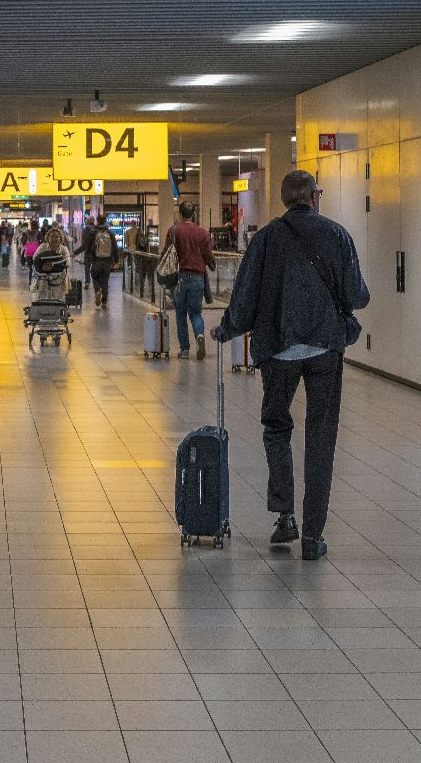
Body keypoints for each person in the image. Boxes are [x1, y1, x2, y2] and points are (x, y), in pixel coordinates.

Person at [212, 170, 369, 560]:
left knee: (277, 427)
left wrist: (227, 329)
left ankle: (285, 516)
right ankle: (314, 536)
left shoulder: (265, 238)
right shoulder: (337, 235)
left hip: (278, 349)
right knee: (321, 436)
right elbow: (357, 294)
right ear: (313, 197)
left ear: (284, 200)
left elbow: (245, 295)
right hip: (324, 349)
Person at [161, 201, 215, 360]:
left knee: (180, 314)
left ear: (179, 213)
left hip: (179, 278)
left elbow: (166, 253)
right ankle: (199, 335)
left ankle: (184, 350)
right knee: (196, 313)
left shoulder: (173, 231)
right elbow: (208, 256)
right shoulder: (203, 233)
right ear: (193, 214)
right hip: (198, 278)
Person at [81, 215, 119, 309]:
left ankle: (97, 291)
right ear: (105, 221)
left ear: (97, 221)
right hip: (107, 261)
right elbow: (115, 248)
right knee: (105, 281)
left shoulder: (93, 232)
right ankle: (104, 302)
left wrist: (74, 253)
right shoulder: (110, 233)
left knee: (95, 278)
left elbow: (85, 245)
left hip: (96, 260)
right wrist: (116, 261)